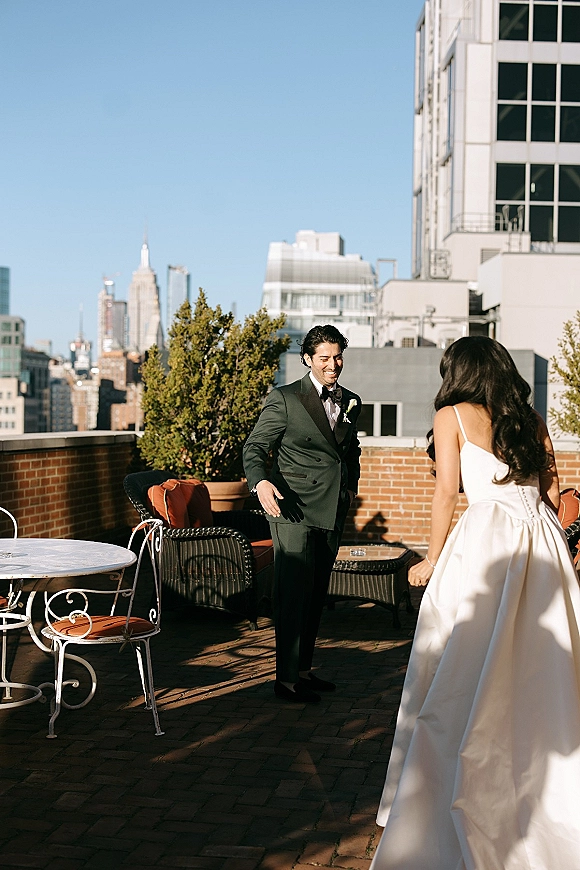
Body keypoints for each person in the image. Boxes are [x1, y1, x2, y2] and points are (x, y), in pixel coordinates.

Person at [371, 336, 580, 870]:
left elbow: (445, 495)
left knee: (460, 666)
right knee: (538, 670)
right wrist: (553, 532)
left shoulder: (452, 415)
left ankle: (447, 795)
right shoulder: (529, 418)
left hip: (487, 546)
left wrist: (430, 559)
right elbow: (554, 488)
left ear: (458, 373)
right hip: (541, 542)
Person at [243, 324, 361, 703]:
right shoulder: (285, 398)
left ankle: (305, 669)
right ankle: (286, 679)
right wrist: (260, 484)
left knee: (315, 594)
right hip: (291, 506)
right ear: (308, 359)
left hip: (331, 508)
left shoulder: (351, 400)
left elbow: (350, 450)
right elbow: (256, 447)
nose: (333, 364)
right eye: (324, 357)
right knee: (292, 593)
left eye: (337, 356)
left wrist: (351, 486)